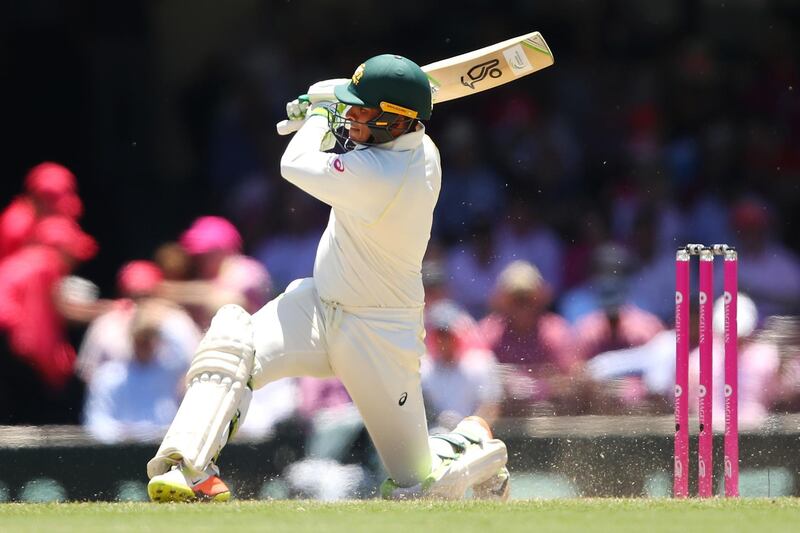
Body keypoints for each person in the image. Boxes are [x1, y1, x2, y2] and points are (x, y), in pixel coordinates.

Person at [146, 54, 509, 502]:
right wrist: (338, 104)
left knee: (416, 487)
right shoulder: (400, 139)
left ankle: (471, 442)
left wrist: (320, 113)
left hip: (378, 333)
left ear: (396, 121)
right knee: (232, 341)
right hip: (320, 305)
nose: (352, 118)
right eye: (351, 108)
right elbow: (361, 120)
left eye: (361, 111)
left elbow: (294, 164)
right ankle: (187, 469)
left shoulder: (386, 173)